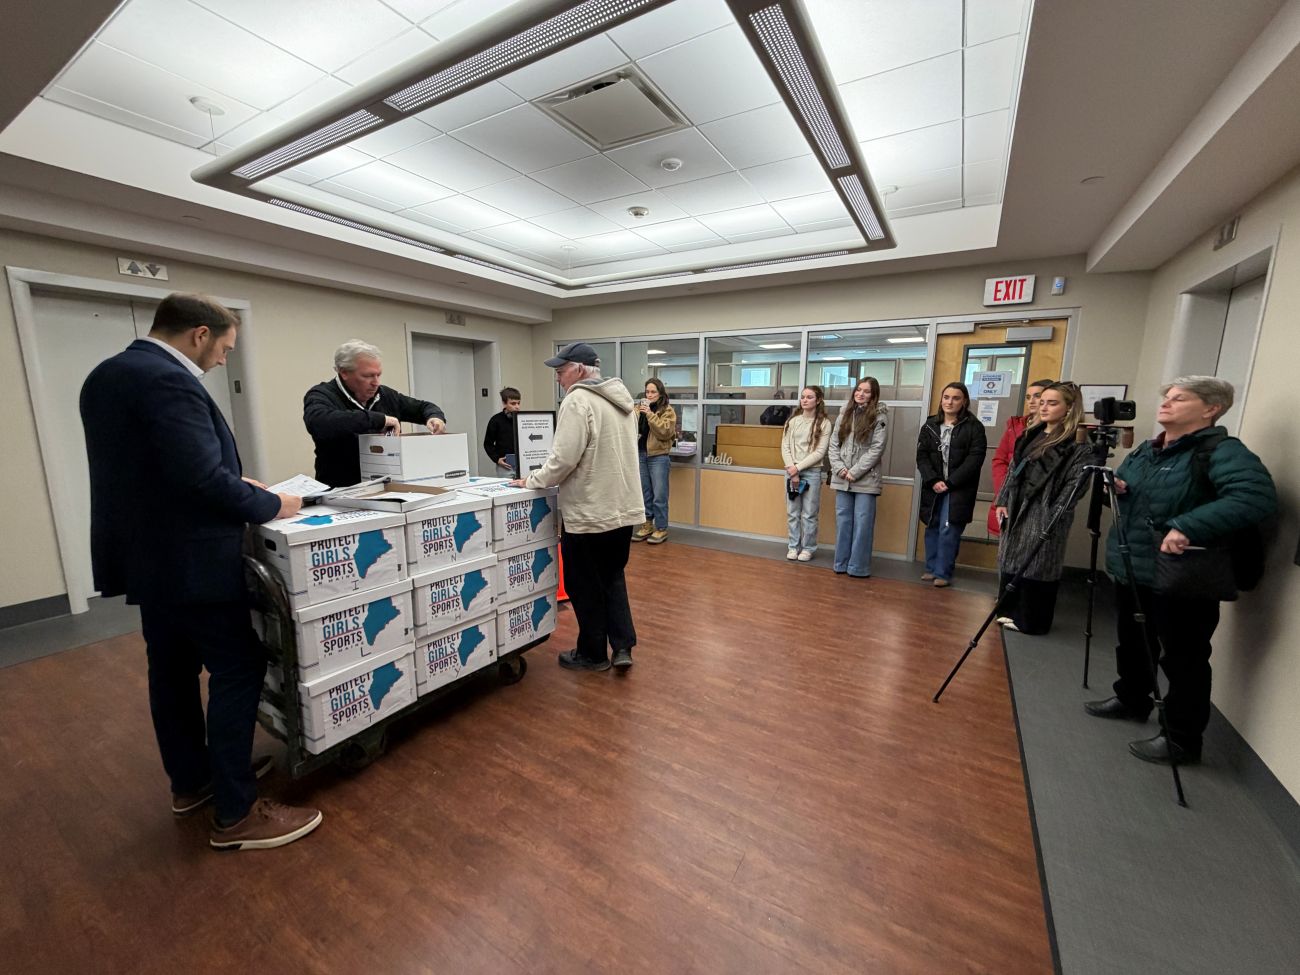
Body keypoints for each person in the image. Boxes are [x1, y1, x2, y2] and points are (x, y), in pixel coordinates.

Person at [79, 292, 322, 851]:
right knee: (239, 666)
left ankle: (192, 782)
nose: (222, 361)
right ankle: (238, 814)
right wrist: (269, 503)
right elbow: (197, 479)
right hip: (191, 559)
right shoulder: (168, 380)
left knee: (171, 670)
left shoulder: (108, 375)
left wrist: (238, 484)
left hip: (148, 558)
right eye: (224, 349)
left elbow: (160, 470)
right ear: (198, 334)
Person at [1084, 376, 1276, 765]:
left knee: (1184, 658)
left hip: (1182, 575)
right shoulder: (1147, 451)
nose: (1166, 404)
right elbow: (1135, 495)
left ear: (1211, 408)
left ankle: (1181, 738)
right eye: (1166, 397)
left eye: (1179, 398)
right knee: (1133, 640)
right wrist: (1117, 488)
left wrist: (1189, 525)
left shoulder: (1221, 452)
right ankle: (1131, 697)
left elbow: (1254, 498)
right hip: (1133, 564)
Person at [509, 343, 644, 672]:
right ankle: (623, 646)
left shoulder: (578, 400)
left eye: (561, 371)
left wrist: (533, 480)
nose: (557, 378)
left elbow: (564, 459)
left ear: (581, 370)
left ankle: (593, 654)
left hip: (588, 512)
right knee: (612, 577)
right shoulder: (624, 403)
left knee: (584, 586)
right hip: (622, 510)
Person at [993, 382, 1092, 633]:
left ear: (1069, 408)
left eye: (1052, 402)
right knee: (1010, 559)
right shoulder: (1031, 434)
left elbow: (1075, 486)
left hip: (1046, 510)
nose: (1043, 406)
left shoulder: (1077, 444)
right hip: (1016, 507)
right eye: (1042, 401)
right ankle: (1008, 611)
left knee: (1038, 563)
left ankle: (1031, 621)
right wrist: (1002, 501)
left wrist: (1054, 516)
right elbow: (1012, 473)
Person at [302, 339, 447, 487]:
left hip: (387, 487)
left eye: (378, 375)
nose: (376, 382)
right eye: (367, 376)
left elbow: (423, 407)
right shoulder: (321, 395)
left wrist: (434, 417)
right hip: (341, 490)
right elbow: (320, 422)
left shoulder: (385, 395)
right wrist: (380, 420)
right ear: (344, 372)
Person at [917, 381, 987, 588]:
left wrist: (950, 482)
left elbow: (975, 460)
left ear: (964, 401)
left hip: (958, 488)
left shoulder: (974, 427)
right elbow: (922, 457)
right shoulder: (930, 425)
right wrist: (933, 480)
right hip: (934, 486)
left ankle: (943, 572)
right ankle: (931, 568)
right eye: (946, 397)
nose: (950, 402)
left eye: (956, 398)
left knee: (950, 528)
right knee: (932, 526)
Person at [828, 379, 888, 576]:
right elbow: (833, 444)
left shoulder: (879, 415)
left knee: (863, 524)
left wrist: (855, 471)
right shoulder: (844, 412)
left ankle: (858, 567)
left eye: (867, 392)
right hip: (842, 477)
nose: (861, 394)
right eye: (859, 390)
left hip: (866, 479)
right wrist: (839, 469)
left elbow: (877, 449)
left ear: (874, 395)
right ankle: (841, 564)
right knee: (843, 522)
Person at [988, 378, 1055, 535]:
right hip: (1008, 492)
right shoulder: (1016, 426)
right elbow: (1000, 459)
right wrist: (1003, 489)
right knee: (1005, 544)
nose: (1032, 401)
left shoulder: (1055, 431)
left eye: (1037, 396)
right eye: (1028, 397)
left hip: (1034, 499)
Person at [780, 385, 831, 562]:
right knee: (793, 512)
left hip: (812, 472)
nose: (805, 400)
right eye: (803, 397)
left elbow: (819, 452)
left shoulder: (824, 423)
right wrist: (791, 469)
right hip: (791, 471)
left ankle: (808, 548)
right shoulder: (792, 421)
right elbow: (785, 447)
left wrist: (798, 468)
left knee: (809, 514)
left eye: (809, 397)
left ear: (818, 400)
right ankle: (793, 546)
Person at [633, 377, 677, 545]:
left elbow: (664, 432)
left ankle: (661, 528)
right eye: (647, 392)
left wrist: (650, 414)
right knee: (645, 493)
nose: (649, 395)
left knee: (659, 494)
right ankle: (647, 525)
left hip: (659, 456)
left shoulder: (667, 410)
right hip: (641, 454)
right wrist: (637, 414)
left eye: (653, 392)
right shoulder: (638, 409)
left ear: (660, 394)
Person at [483, 386, 521, 474]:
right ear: (504, 403)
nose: (517, 407)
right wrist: (497, 459)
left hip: (523, 463)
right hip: (506, 466)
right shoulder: (495, 420)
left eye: (518, 403)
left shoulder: (523, 420)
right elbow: (488, 444)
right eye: (513, 403)